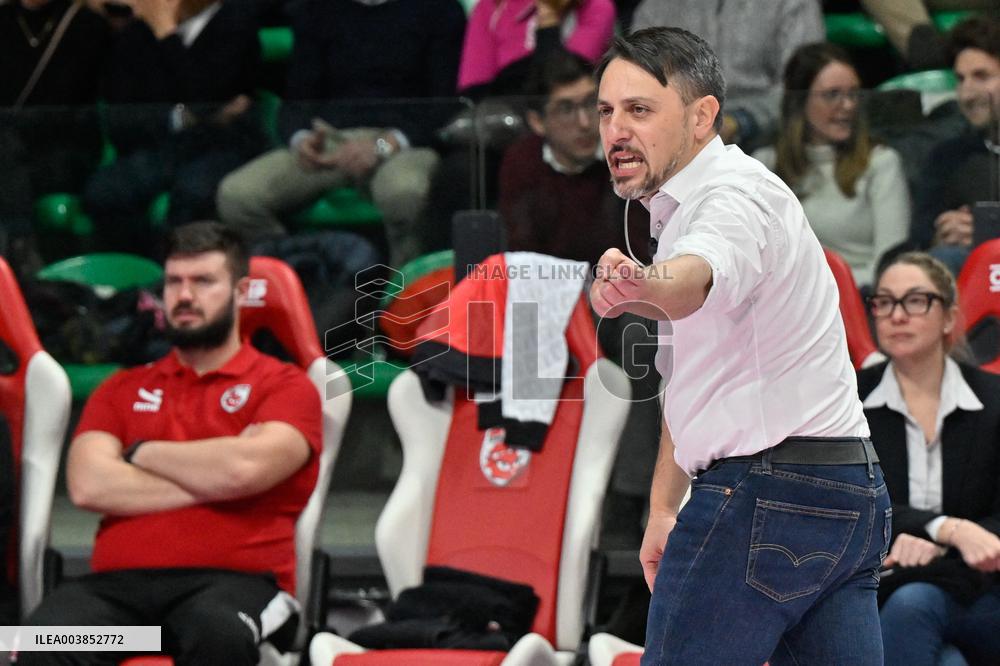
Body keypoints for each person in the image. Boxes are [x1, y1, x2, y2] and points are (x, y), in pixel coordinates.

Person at [590, 27, 890, 664]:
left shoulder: (732, 196)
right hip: (844, 488)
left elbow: (693, 281)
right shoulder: (689, 208)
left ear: (702, 117)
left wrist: (641, 284)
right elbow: (695, 374)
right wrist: (665, 505)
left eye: (639, 110)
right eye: (606, 110)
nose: (616, 130)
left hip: (769, 494)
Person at [19, 222, 322, 665]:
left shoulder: (285, 386)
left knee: (215, 634)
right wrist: (218, 478)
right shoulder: (120, 388)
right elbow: (89, 485)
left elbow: (246, 469)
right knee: (42, 641)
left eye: (203, 282)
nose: (184, 296)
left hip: (236, 587)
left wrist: (140, 453)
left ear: (240, 293)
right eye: (174, 282)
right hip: (123, 609)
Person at [216, 0, 465, 267]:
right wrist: (301, 138)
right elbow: (297, 98)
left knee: (404, 193)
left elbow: (445, 105)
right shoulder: (316, 9)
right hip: (329, 139)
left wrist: (384, 144)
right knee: (238, 196)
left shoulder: (441, 9)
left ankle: (404, 297)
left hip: (403, 141)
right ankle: (299, 279)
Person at [857, 251, 1000, 666]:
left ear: (950, 317)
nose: (897, 315)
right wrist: (946, 530)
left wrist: (936, 547)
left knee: (914, 605)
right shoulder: (848, 401)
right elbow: (851, 502)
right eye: (884, 302)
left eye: (916, 300)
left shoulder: (993, 402)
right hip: (885, 586)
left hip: (984, 592)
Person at [82, 0, 266, 255]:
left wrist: (167, 35)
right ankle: (142, 274)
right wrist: (182, 117)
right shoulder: (137, 34)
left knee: (192, 192)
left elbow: (204, 96)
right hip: (164, 146)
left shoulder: (236, 24)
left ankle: (176, 277)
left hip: (222, 147)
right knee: (104, 191)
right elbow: (122, 117)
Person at [755, 42, 911, 288]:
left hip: (860, 298)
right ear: (800, 102)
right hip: (785, 303)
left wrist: (824, 288)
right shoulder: (765, 166)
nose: (847, 105)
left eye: (852, 94)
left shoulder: (881, 163)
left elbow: (889, 266)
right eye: (832, 95)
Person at [0, 0, 111, 272]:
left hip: (64, 150)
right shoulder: (3, 20)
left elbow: (75, 97)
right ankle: (18, 251)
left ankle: (19, 250)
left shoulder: (85, 24)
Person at [630, 0, 823, 150]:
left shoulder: (793, 3)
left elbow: (800, 88)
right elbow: (639, 81)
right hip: (674, 135)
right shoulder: (656, 6)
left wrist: (741, 121)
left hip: (764, 142)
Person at [911, 16, 1000, 276]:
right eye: (960, 79)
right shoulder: (947, 158)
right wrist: (940, 237)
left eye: (981, 76)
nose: (967, 94)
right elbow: (916, 242)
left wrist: (986, 233)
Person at [458, 0, 615, 98]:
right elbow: (473, 92)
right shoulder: (489, 7)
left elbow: (563, 81)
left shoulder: (596, 6)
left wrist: (548, 15)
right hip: (506, 123)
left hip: (571, 118)